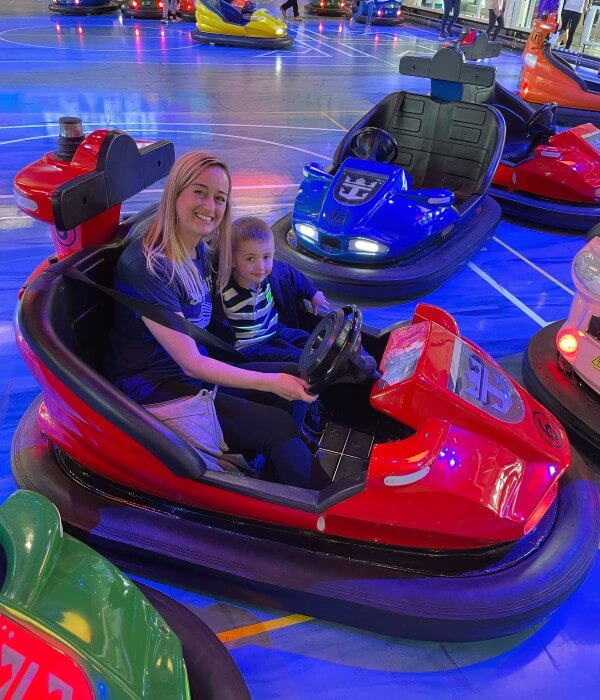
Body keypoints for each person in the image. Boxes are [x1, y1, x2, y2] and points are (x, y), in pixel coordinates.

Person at [103, 152, 329, 490]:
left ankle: (277, 464)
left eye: (220, 198)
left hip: (191, 370)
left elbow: (265, 264)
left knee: (296, 376)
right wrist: (269, 383)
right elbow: (191, 364)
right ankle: (319, 510)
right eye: (199, 192)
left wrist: (310, 291)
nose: (210, 205)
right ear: (176, 192)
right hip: (155, 389)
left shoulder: (201, 252)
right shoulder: (148, 268)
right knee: (276, 423)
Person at [213, 216, 328, 363]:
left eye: (267, 257)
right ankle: (318, 369)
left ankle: (343, 362)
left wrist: (313, 293)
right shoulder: (225, 291)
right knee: (294, 357)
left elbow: (291, 274)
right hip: (251, 348)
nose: (261, 266)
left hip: (275, 331)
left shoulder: (271, 275)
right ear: (232, 260)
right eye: (250, 259)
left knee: (310, 339)